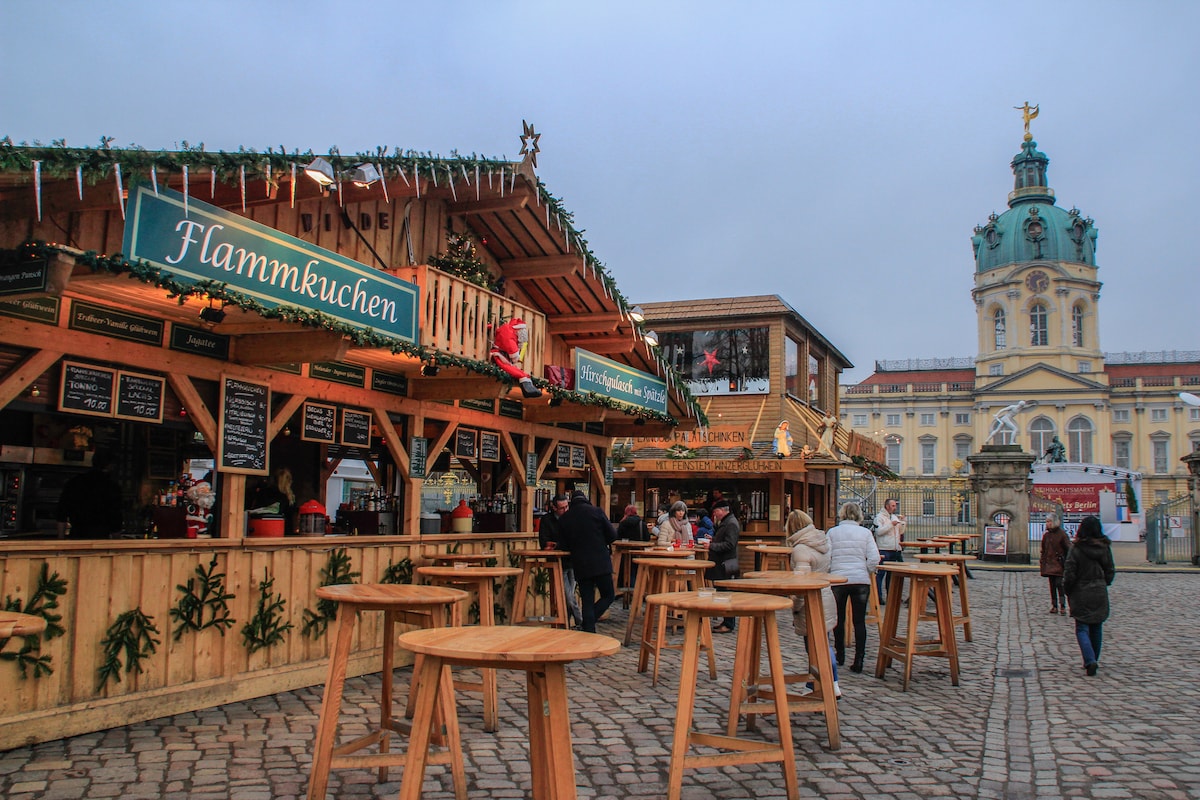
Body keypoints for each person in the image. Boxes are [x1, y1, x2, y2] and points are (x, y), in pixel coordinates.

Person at [784, 510, 839, 698]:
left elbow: (802, 584)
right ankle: (825, 684)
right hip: (825, 595)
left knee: (815, 648)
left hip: (810, 602)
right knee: (824, 643)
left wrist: (795, 606)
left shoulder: (800, 549)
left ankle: (826, 683)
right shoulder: (823, 541)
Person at [827, 502, 880, 673]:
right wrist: (866, 570)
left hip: (838, 580)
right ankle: (859, 659)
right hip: (860, 580)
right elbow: (874, 557)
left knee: (839, 619)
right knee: (859, 621)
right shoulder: (865, 533)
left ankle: (840, 654)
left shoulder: (833, 532)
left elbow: (827, 556)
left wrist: (831, 571)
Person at [556, 490, 618, 633]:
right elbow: (613, 535)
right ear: (585, 499)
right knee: (608, 596)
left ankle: (589, 629)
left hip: (580, 564)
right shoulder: (597, 512)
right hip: (601, 562)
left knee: (587, 599)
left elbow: (564, 545)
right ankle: (588, 622)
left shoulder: (565, 519)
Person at [1063, 515, 1115, 676]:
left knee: (1082, 628)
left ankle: (1089, 659)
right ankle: (1093, 658)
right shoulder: (1104, 547)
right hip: (1099, 590)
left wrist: (1067, 589)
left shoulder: (1076, 548)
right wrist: (1103, 583)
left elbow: (1070, 572)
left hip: (1081, 590)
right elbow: (1110, 570)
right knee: (1096, 626)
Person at [55, 449, 123, 539]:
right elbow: (115, 518)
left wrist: (61, 539)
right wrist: (116, 539)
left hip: (76, 535)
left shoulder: (75, 482)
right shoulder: (112, 487)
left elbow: (61, 514)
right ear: (110, 465)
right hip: (101, 538)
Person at [539, 494, 582, 628]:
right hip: (557, 563)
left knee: (569, 595)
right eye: (562, 508)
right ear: (554, 508)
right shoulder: (547, 520)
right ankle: (581, 620)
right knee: (568, 596)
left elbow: (574, 539)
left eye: (566, 507)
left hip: (572, 561)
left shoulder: (572, 518)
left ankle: (566, 625)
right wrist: (556, 544)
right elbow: (544, 543)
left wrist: (557, 544)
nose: (565, 510)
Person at [706, 499, 740, 633]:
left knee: (726, 593)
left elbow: (730, 544)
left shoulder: (730, 523)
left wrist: (712, 545)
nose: (715, 514)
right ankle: (726, 621)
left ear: (723, 510)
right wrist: (713, 539)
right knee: (723, 592)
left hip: (727, 562)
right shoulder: (727, 522)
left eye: (716, 512)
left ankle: (728, 623)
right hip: (726, 562)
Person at [872, 498, 906, 601]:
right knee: (881, 574)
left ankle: (892, 596)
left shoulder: (894, 517)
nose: (895, 508)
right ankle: (878, 597)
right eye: (893, 506)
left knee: (892, 575)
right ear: (887, 506)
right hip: (884, 548)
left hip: (895, 549)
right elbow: (879, 532)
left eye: (895, 506)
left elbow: (900, 532)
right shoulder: (879, 518)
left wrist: (903, 523)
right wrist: (891, 524)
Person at [1038, 513, 1071, 615]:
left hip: (1059, 564)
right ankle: (1054, 605)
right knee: (1052, 586)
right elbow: (1044, 550)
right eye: (1046, 522)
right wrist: (1043, 561)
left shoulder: (1062, 534)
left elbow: (1068, 549)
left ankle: (1062, 606)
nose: (1047, 524)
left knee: (1059, 585)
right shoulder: (1046, 536)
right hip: (1050, 564)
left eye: (1049, 521)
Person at [250, 467, 297, 533]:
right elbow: (290, 514)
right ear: (289, 481)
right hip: (282, 530)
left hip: (260, 528)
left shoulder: (264, 492)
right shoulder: (287, 497)